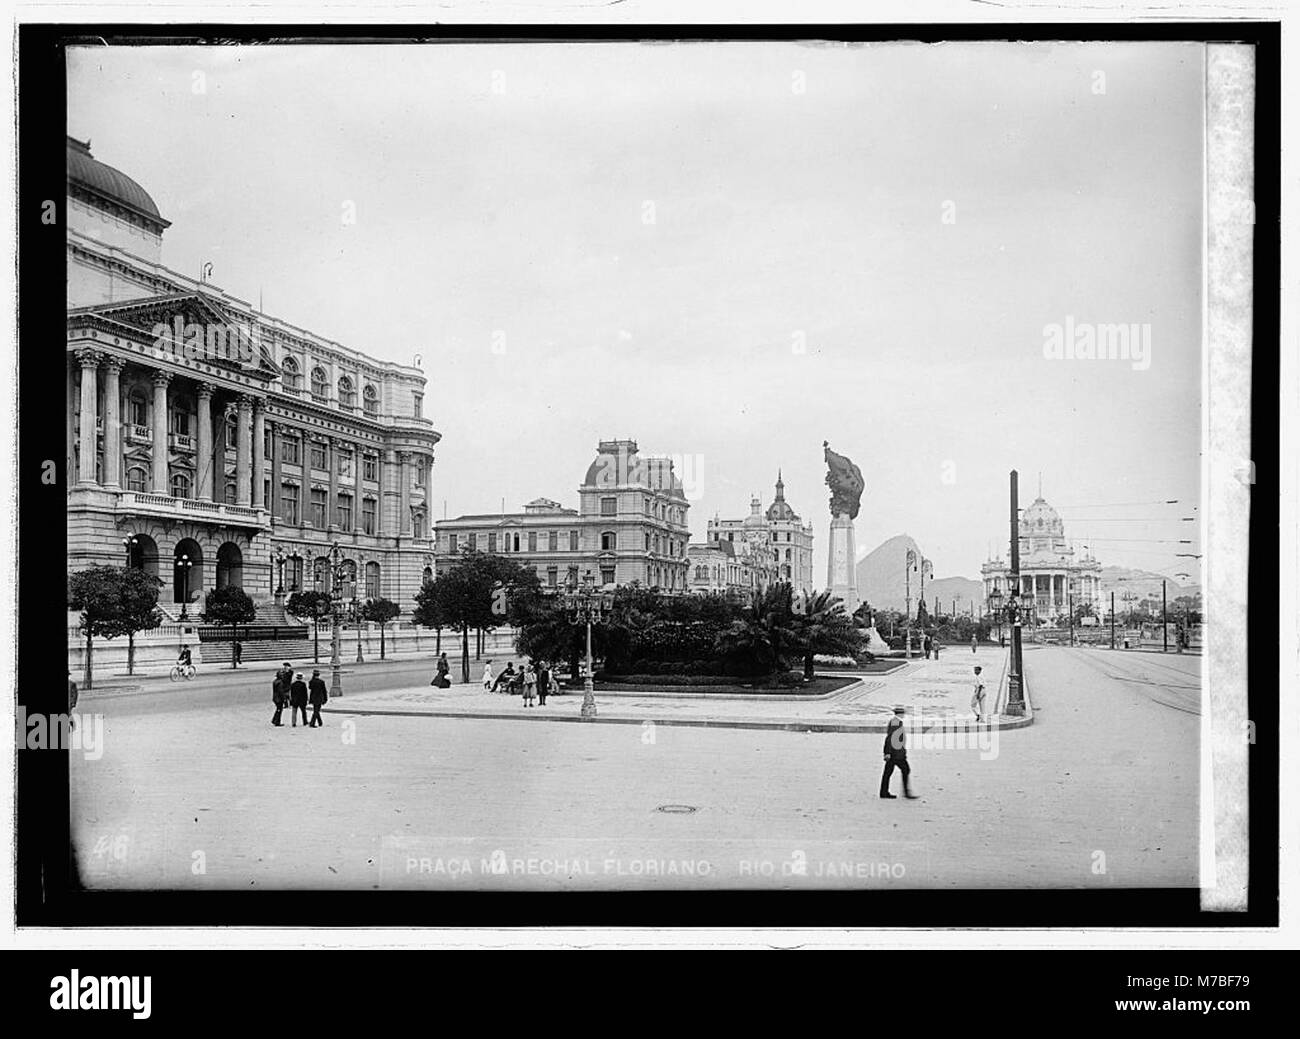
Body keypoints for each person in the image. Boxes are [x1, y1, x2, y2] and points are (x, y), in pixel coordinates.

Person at [880, 705, 917, 799]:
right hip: (896, 753)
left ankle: (884, 792)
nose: (904, 715)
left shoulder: (896, 722)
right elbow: (890, 738)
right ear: (900, 714)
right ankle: (906, 793)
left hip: (895, 752)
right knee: (905, 770)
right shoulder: (896, 723)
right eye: (903, 713)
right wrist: (887, 752)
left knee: (888, 773)